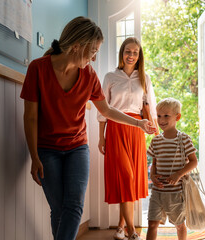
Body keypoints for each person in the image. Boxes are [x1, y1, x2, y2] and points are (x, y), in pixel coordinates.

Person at [20, 17, 156, 240]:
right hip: (47, 149)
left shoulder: (89, 75)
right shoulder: (38, 69)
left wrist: (139, 122)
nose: (94, 57)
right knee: (59, 209)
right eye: (93, 51)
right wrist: (34, 156)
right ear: (77, 46)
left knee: (73, 206)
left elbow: (108, 111)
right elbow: (30, 117)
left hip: (77, 147)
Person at [97, 37, 159, 240]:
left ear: (139, 55)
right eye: (128, 51)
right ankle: (132, 231)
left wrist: (156, 132)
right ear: (121, 53)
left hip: (137, 131)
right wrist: (101, 137)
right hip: (115, 129)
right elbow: (103, 109)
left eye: (135, 52)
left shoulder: (145, 78)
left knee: (131, 182)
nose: (131, 55)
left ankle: (120, 227)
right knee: (126, 177)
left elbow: (150, 105)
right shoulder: (110, 77)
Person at [146, 98, 198, 240]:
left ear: (178, 117)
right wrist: (153, 176)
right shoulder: (156, 140)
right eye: (159, 116)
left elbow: (194, 162)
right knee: (152, 224)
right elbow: (154, 163)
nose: (161, 120)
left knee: (179, 225)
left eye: (166, 116)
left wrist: (178, 174)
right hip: (157, 191)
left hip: (176, 193)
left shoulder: (184, 139)